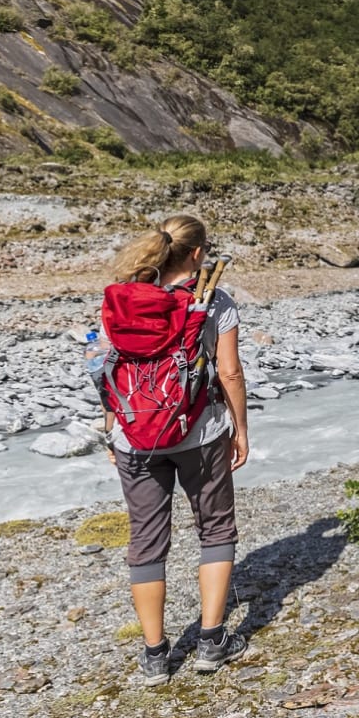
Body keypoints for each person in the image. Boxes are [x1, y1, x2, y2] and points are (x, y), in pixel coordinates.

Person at [103, 213, 251, 685]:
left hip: (134, 433)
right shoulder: (214, 301)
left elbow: (112, 367)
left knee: (146, 539)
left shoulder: (124, 298)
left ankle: (154, 656)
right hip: (199, 432)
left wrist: (112, 428)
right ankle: (211, 642)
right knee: (215, 528)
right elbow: (228, 372)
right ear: (197, 254)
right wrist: (240, 429)